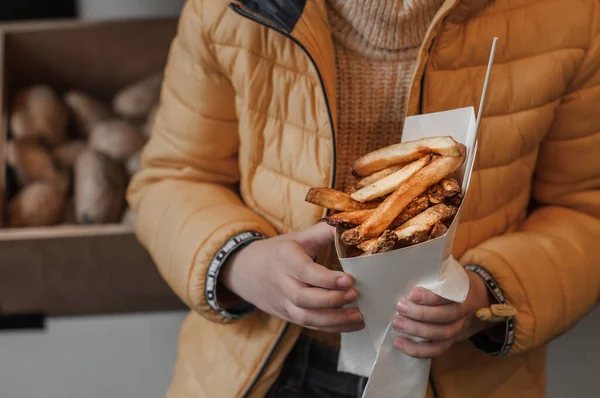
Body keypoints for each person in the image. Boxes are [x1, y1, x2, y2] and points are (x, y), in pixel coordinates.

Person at [127, 0, 600, 397]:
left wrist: (485, 294)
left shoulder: (572, 17)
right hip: (257, 367)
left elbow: (584, 210)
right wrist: (241, 263)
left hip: (461, 375)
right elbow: (174, 176)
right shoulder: (228, 8)